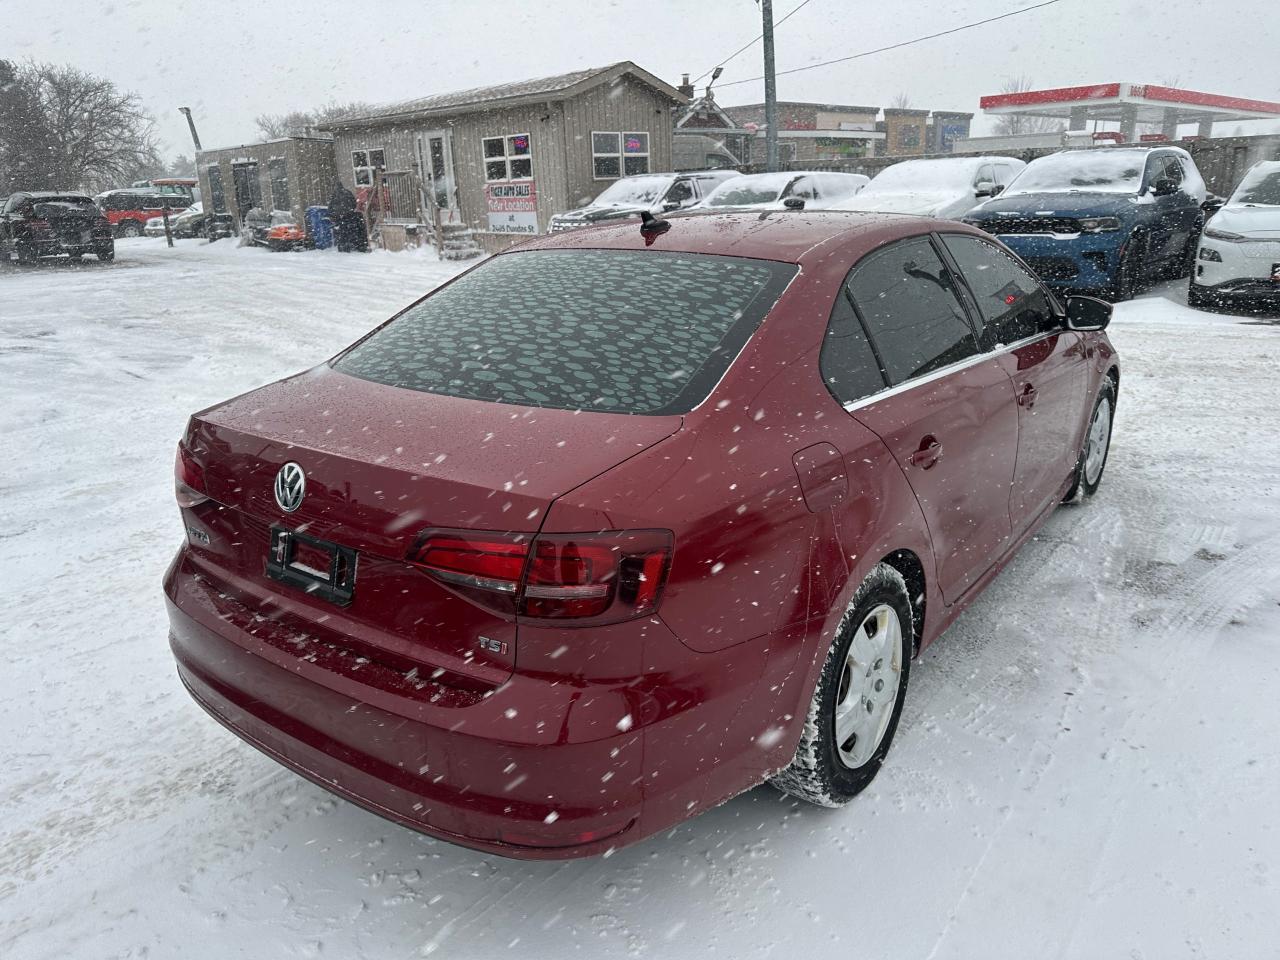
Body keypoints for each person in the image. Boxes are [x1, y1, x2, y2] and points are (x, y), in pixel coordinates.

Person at [328, 181, 365, 253]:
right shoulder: (348, 192)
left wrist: (332, 215)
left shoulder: (334, 195)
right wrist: (350, 210)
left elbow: (330, 206)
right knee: (351, 231)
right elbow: (354, 202)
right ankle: (354, 244)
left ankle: (344, 247)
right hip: (349, 215)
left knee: (342, 232)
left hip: (339, 217)